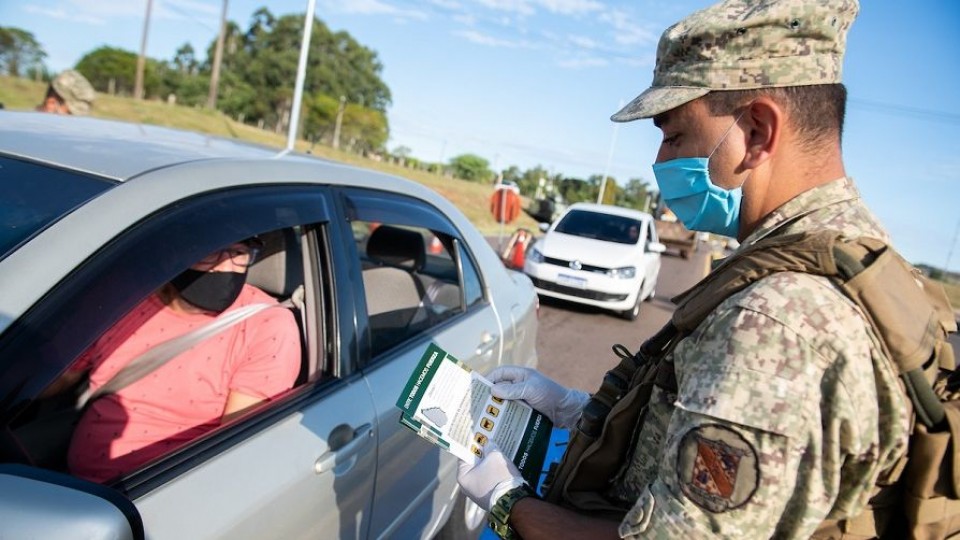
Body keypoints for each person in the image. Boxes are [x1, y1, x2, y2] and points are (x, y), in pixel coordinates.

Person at [456, 0, 917, 538]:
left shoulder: (778, 317)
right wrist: (573, 408)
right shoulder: (860, 262)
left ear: (759, 131)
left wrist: (510, 503)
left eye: (674, 135)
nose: (660, 160)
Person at [55, 238, 301, 482]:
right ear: (172, 256)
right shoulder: (122, 301)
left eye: (239, 253)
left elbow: (235, 451)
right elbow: (58, 379)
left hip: (158, 492)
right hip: (73, 487)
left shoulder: (265, 325)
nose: (226, 268)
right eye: (211, 251)